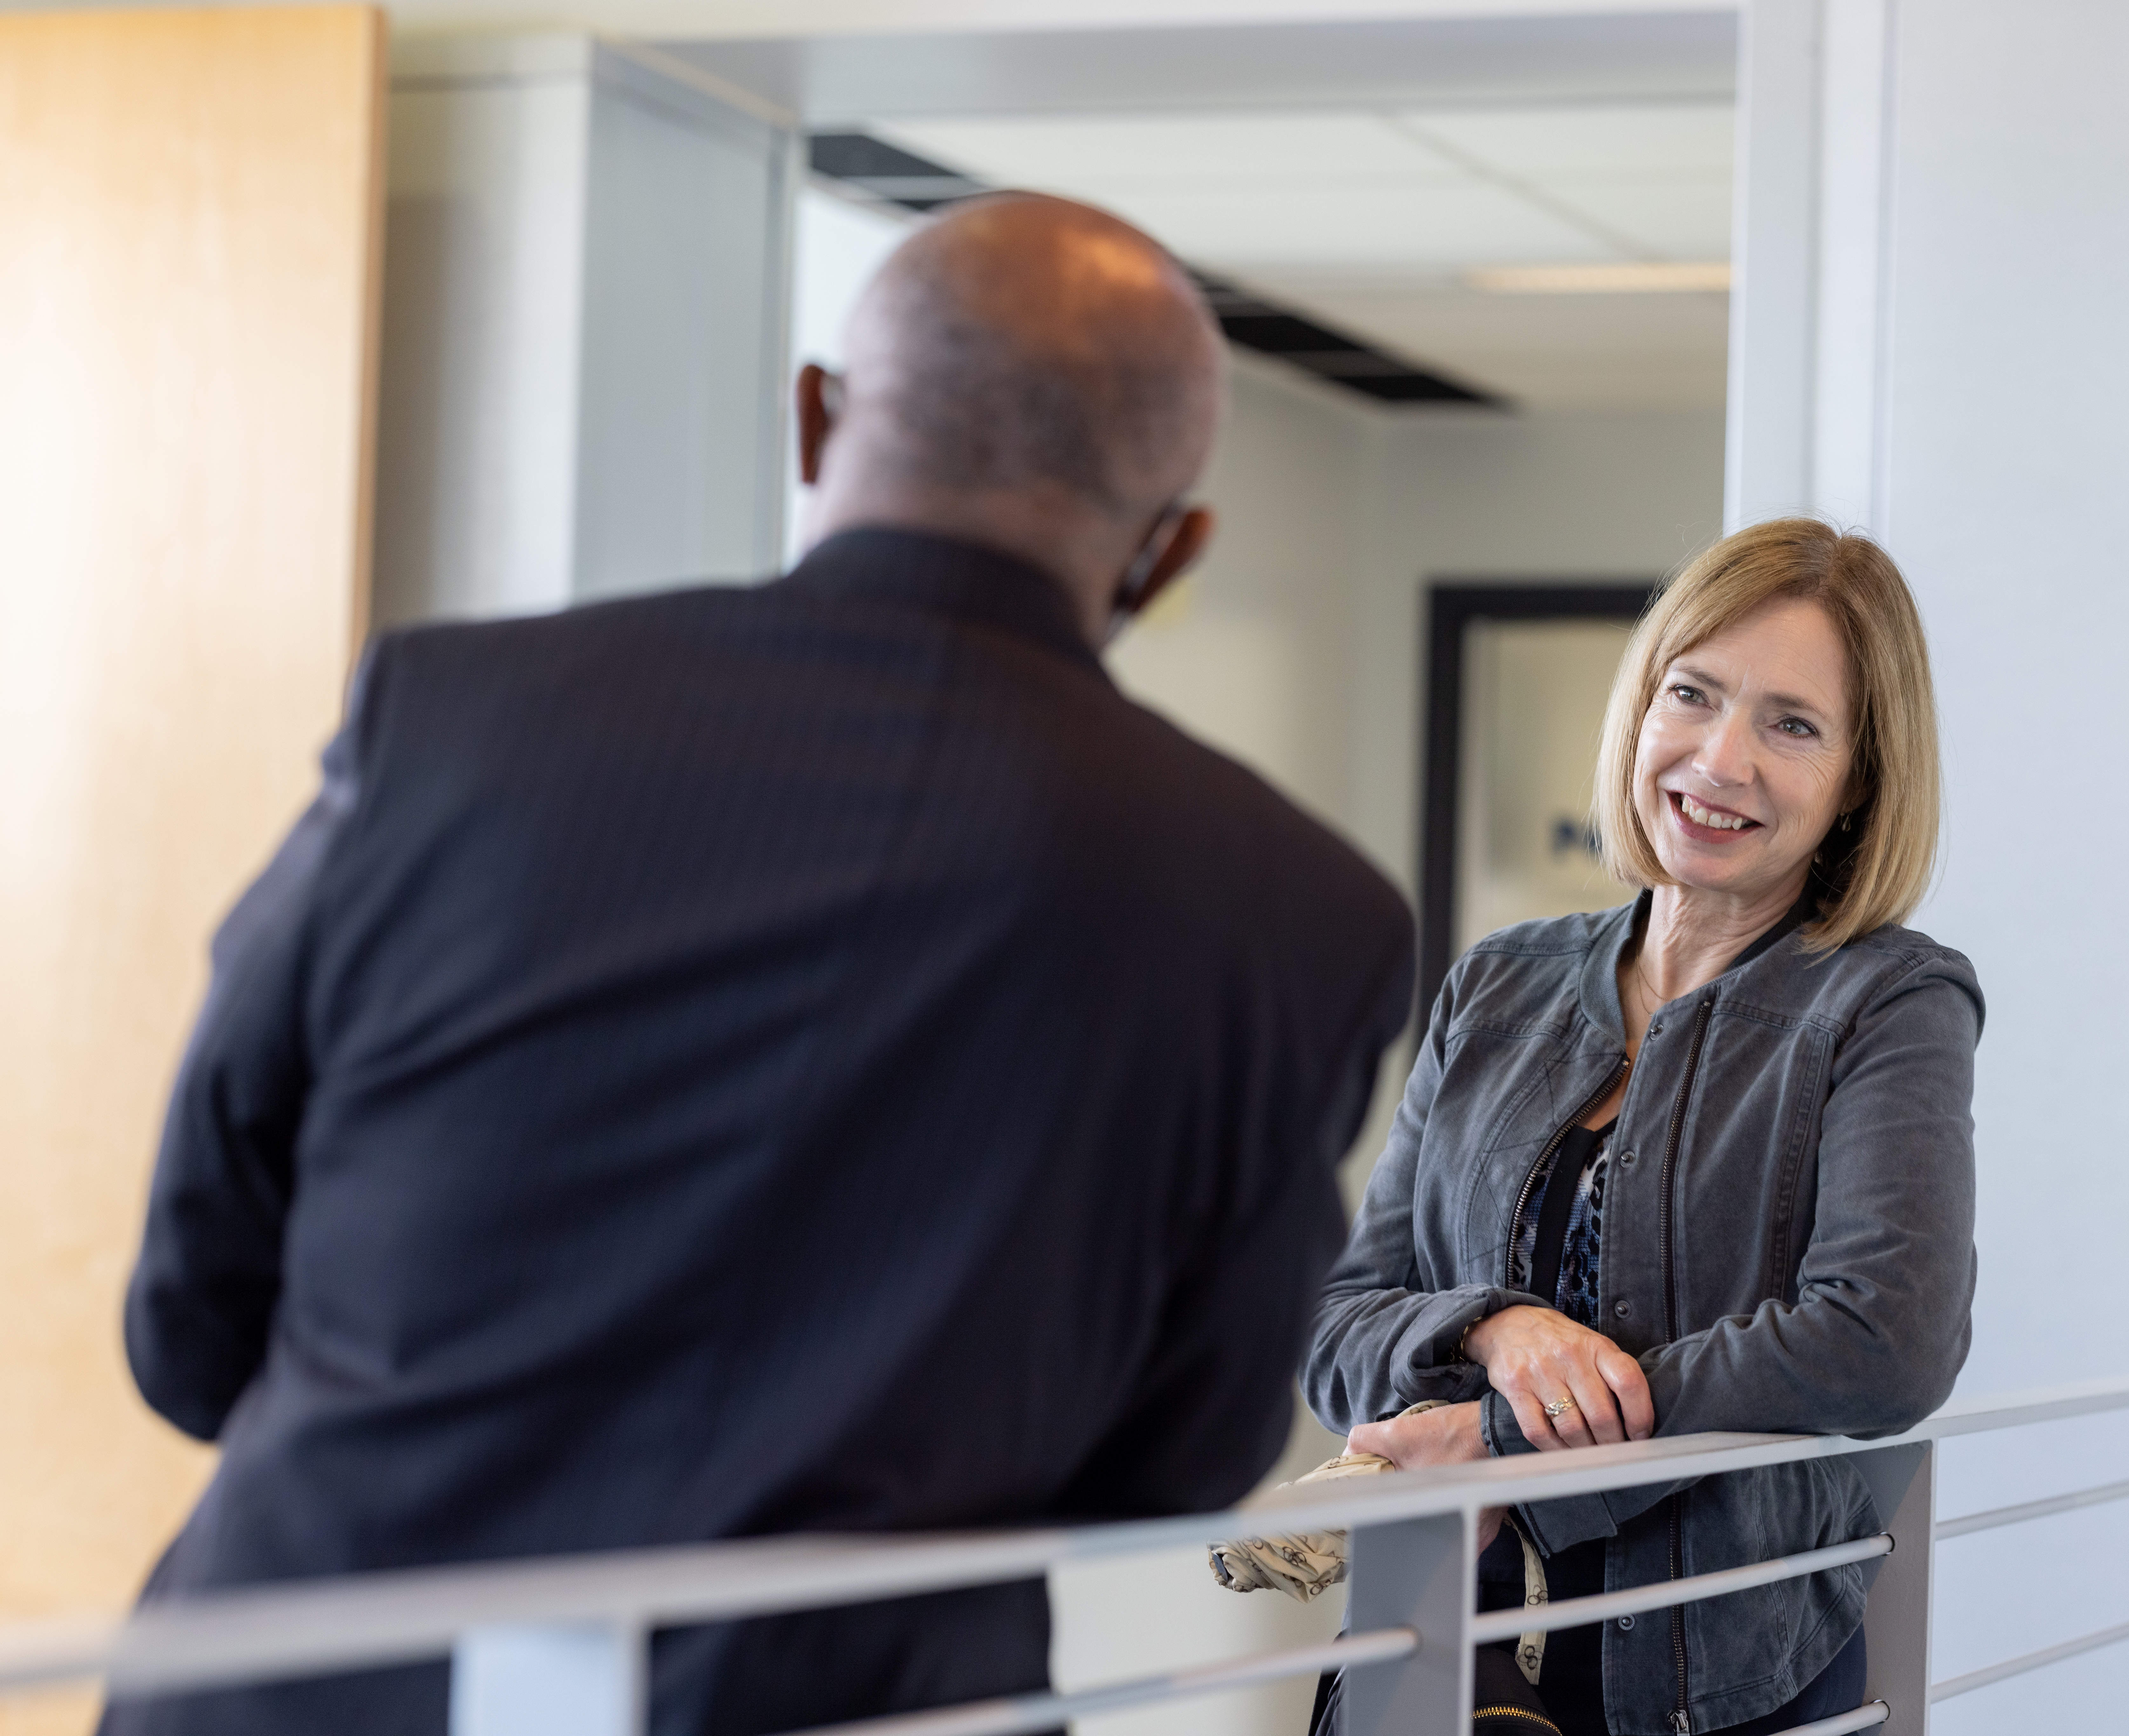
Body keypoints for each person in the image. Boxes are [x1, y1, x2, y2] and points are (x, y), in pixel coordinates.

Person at [109, 193, 1414, 1736]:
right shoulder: (1292, 911)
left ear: (813, 417)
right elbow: (1177, 1458)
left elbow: (196, 1293)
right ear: (1172, 543)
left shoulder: (456, 720)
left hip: (305, 1691)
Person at [1306, 519, 1980, 1736]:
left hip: (1716, 1681)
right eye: (1694, 693)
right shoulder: (1498, 983)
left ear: (1860, 780)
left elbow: (1889, 1339)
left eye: (1792, 724)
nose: (1721, 761)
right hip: (1434, 1648)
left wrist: (1508, 1443)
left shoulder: (1888, 998)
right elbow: (1338, 1320)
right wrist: (1500, 1329)